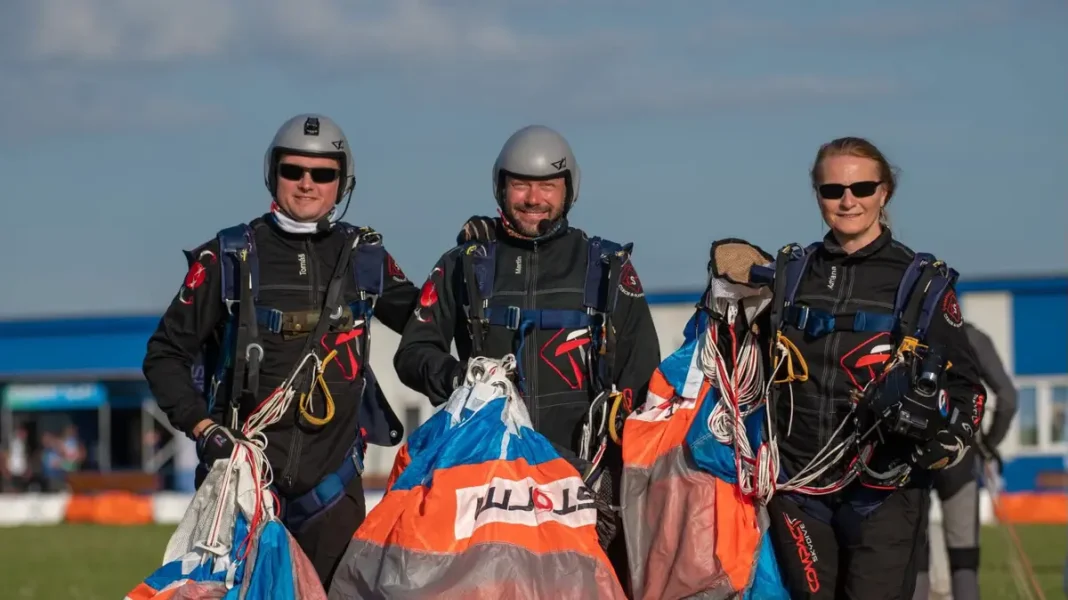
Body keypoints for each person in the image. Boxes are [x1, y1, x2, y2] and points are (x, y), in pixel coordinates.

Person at [142, 113, 420, 590]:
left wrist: (469, 266)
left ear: (342, 181)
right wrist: (203, 428)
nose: (307, 184)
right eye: (294, 171)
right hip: (242, 488)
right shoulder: (229, 257)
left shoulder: (364, 258)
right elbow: (165, 355)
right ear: (274, 174)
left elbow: (431, 322)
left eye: (323, 174)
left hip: (332, 493)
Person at [392, 124, 662, 593]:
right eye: (521, 184)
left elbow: (643, 380)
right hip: (488, 484)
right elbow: (413, 352)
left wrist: (622, 478)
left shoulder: (607, 268)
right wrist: (461, 376)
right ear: (501, 187)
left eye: (547, 185)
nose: (533, 197)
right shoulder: (464, 264)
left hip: (585, 484)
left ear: (569, 189)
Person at [758, 136, 987, 600]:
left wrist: (947, 442)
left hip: (885, 493)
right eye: (833, 190)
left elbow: (969, 390)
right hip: (800, 491)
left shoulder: (920, 282)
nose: (848, 201)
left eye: (862, 188)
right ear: (817, 195)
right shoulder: (790, 276)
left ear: (885, 193)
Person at [913, 321, 1018, 600]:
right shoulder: (972, 337)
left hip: (912, 456)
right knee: (964, 561)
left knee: (915, 558)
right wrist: (988, 443)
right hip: (960, 454)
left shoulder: (908, 330)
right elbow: (1008, 399)